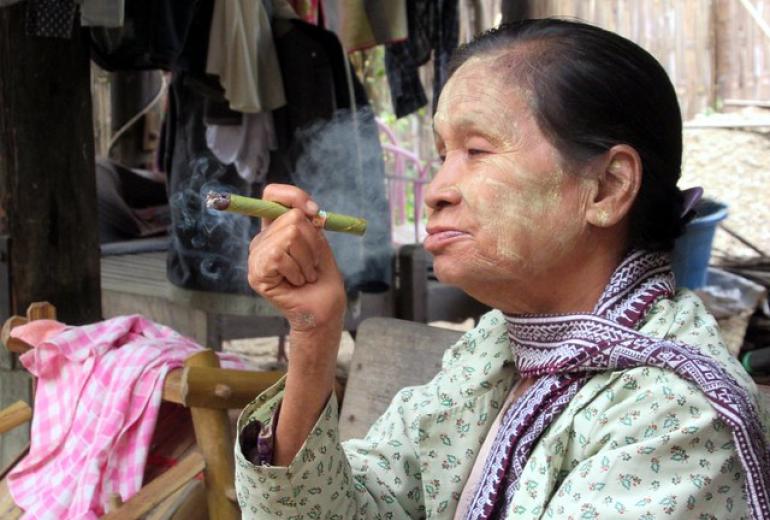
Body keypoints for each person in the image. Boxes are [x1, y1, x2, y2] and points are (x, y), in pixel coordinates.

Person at [234, 19, 770, 519]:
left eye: (477, 149)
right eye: (443, 154)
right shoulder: (495, 352)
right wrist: (314, 333)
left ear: (606, 188)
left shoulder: (677, 418)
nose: (437, 191)